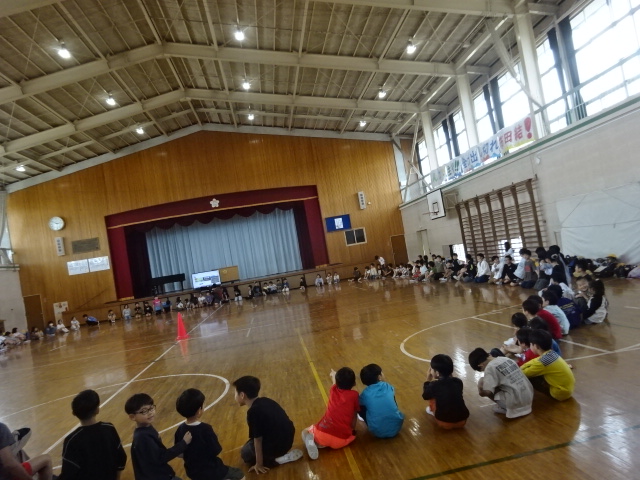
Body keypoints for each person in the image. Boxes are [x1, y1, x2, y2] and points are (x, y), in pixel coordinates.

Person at [233, 376, 301, 473]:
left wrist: (259, 464)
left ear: (242, 395)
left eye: (235, 393)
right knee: (250, 445)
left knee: (245, 454)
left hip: (278, 446)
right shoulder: (265, 400)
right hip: (288, 440)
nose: (235, 396)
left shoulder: (253, 412)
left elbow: (257, 440)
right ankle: (278, 454)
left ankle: (276, 460)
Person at [174, 389, 245, 480]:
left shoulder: (180, 429)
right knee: (241, 475)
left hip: (192, 472)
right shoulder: (205, 429)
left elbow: (179, 454)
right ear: (199, 410)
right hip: (212, 470)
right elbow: (216, 450)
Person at [59, 389, 127, 480]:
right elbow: (121, 458)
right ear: (97, 410)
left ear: (74, 413)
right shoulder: (109, 429)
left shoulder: (72, 440)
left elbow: (68, 473)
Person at [125, 393, 191, 480]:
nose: (150, 413)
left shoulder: (146, 428)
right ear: (132, 417)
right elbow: (161, 457)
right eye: (144, 411)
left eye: (151, 408)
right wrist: (183, 444)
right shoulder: (143, 437)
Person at [301, 368, 359, 460]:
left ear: (337, 383)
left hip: (322, 433)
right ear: (354, 383)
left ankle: (313, 442)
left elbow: (334, 383)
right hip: (340, 441)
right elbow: (354, 414)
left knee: (305, 431)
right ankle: (320, 444)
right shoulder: (354, 395)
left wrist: (333, 375)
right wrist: (352, 430)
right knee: (346, 435)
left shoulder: (333, 390)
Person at [468, 348, 533, 418]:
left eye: (482, 370)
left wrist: (480, 388)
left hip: (516, 404)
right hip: (529, 398)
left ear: (481, 365)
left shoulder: (489, 368)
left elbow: (487, 392)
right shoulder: (505, 359)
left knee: (487, 384)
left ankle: (506, 408)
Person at [520, 330, 575, 401]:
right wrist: (522, 367)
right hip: (568, 389)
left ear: (536, 346)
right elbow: (534, 361)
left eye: (530, 344)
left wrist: (519, 369)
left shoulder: (543, 363)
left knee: (531, 378)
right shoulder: (551, 353)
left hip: (560, 393)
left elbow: (523, 374)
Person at [421, 354, 469, 428]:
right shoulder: (458, 381)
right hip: (463, 421)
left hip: (444, 422)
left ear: (437, 372)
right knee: (448, 394)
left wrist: (428, 380)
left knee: (432, 396)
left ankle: (432, 411)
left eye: (432, 369)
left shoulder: (434, 385)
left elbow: (425, 396)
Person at [358, 364, 404, 438]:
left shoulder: (365, 394)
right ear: (379, 377)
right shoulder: (388, 386)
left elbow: (358, 403)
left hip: (377, 432)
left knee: (360, 405)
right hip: (397, 427)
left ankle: (365, 419)